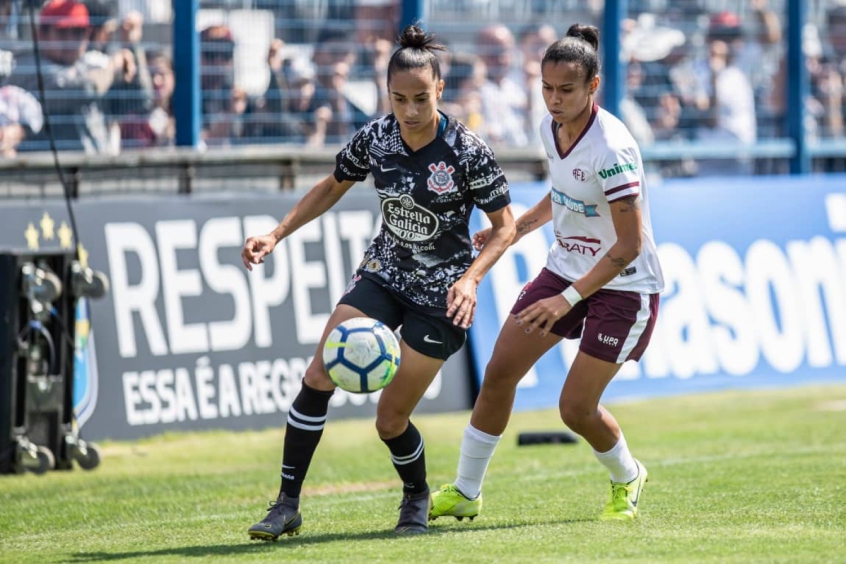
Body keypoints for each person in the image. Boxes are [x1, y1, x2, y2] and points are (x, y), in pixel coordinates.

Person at [241, 24, 516, 540]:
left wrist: (472, 280)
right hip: (384, 274)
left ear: (439, 89)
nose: (409, 111)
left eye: (419, 98)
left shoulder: (467, 151)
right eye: (398, 98)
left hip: (441, 297)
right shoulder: (376, 137)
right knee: (318, 377)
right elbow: (332, 187)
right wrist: (276, 234)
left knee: (389, 419)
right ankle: (286, 504)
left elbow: (506, 228)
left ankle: (416, 495)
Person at [430, 23, 664, 523]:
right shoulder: (549, 129)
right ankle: (467, 491)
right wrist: (518, 228)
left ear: (593, 87)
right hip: (566, 270)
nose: (554, 100)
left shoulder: (613, 148)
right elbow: (563, 196)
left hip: (623, 288)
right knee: (499, 373)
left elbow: (628, 245)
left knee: (575, 409)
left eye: (566, 90)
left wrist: (568, 299)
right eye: (547, 88)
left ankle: (628, 475)